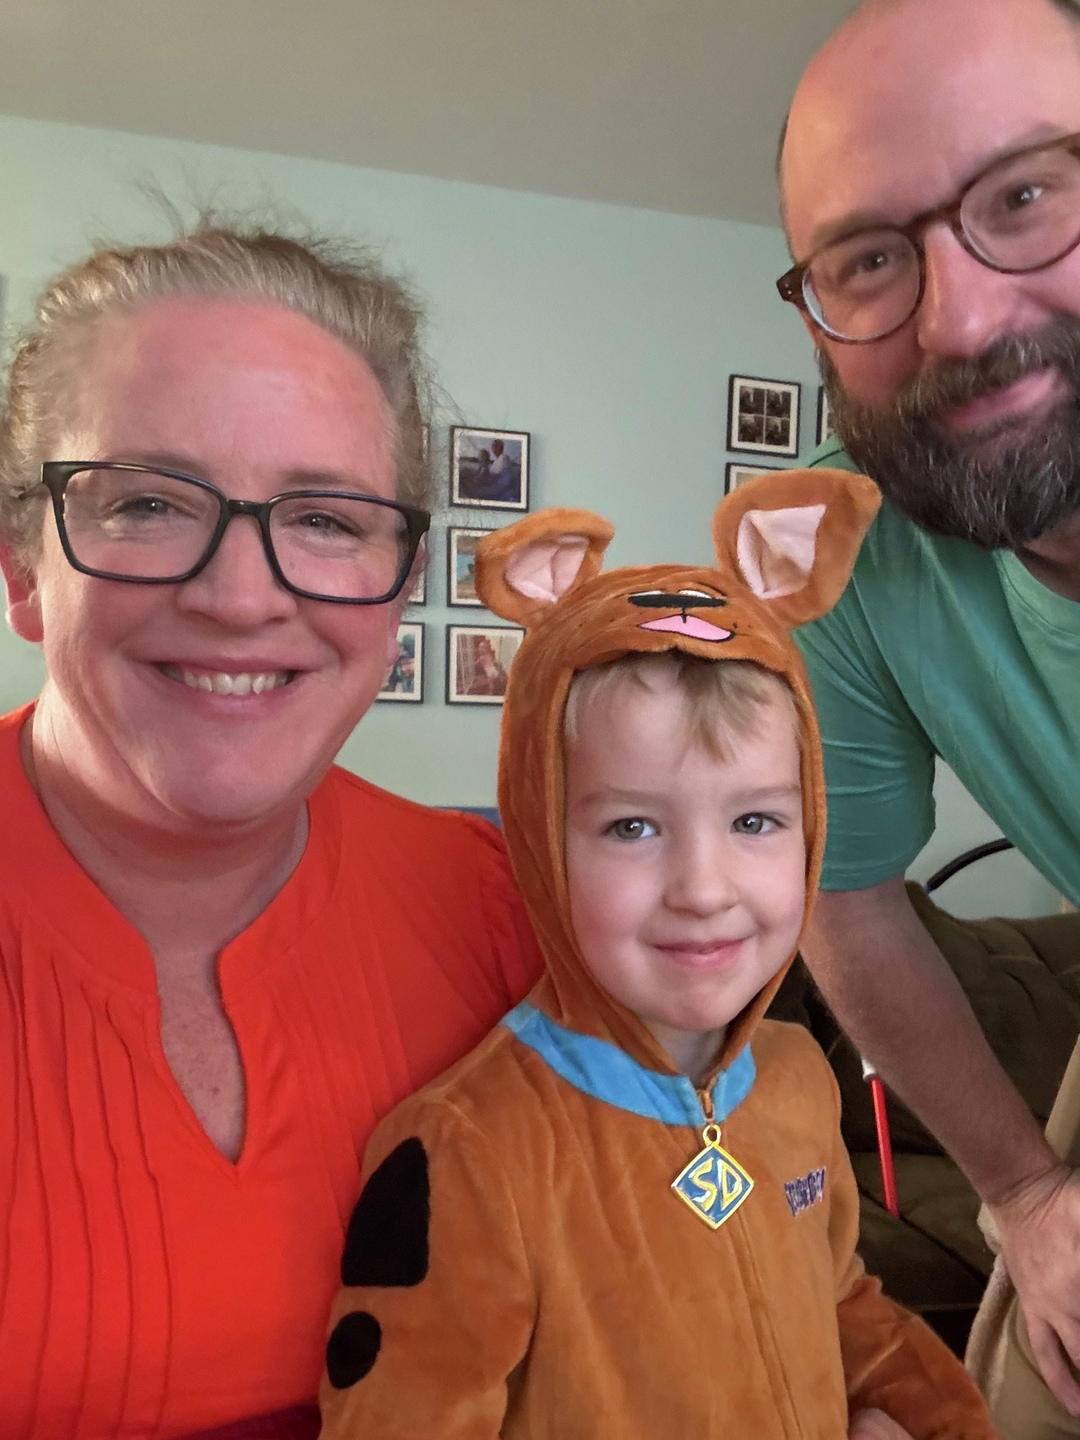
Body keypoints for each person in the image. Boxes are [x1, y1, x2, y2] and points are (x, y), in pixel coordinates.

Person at [0, 218, 541, 1438]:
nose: (241, 596)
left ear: (398, 595)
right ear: (26, 567)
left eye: (328, 520)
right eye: (146, 501)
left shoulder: (510, 916)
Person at [317, 472, 996, 1439]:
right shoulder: (474, 1152)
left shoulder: (799, 1081)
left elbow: (842, 1305)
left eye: (756, 819)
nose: (705, 888)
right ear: (543, 844)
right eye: (633, 827)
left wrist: (911, 1416)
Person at [776, 0, 1080, 1427]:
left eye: (1026, 196)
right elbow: (848, 898)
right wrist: (1023, 1190)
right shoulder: (845, 551)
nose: (960, 320)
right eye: (871, 259)